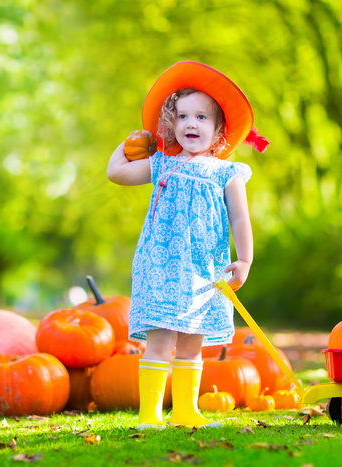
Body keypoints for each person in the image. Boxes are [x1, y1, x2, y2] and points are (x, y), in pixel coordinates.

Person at [107, 61, 269, 430]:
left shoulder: (227, 172)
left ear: (219, 130)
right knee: (161, 341)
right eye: (182, 116)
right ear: (171, 124)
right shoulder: (161, 164)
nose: (191, 124)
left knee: (193, 345)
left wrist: (244, 260)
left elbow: (240, 219)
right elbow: (116, 173)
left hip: (203, 268)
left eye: (201, 117)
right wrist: (130, 143)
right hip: (161, 265)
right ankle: (150, 413)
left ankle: (184, 409)